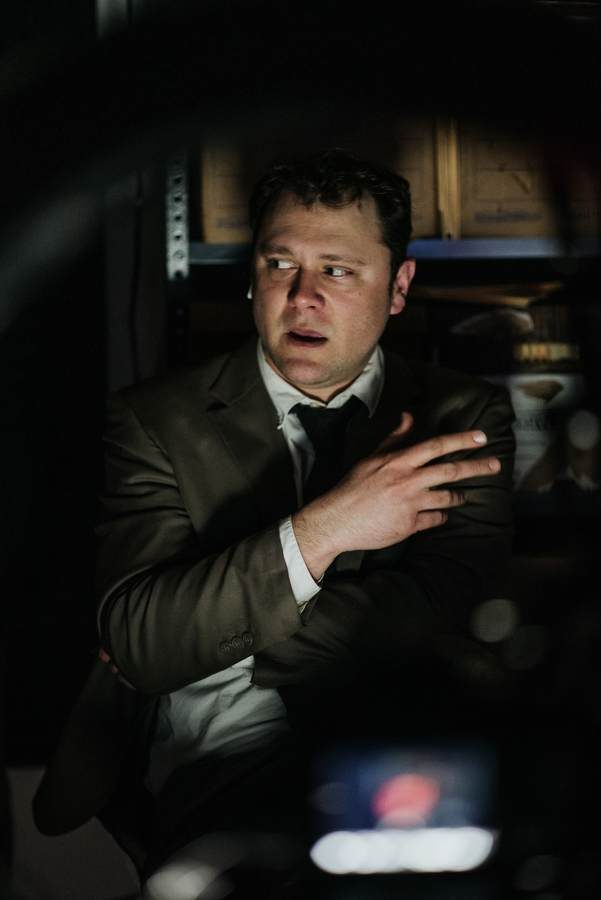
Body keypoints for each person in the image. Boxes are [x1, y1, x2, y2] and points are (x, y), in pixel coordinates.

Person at [33, 149, 515, 896]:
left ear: (398, 287)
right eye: (279, 263)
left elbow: (451, 609)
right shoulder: (154, 421)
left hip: (395, 753)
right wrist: (327, 528)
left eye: (338, 270)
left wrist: (221, 625)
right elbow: (141, 640)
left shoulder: (463, 415)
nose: (301, 297)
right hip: (219, 775)